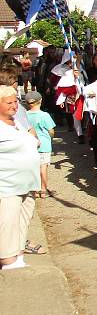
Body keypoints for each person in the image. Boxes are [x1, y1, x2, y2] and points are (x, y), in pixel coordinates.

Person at [0, 85, 43, 269]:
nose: (14, 106)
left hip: (28, 184)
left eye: (16, 101)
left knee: (22, 225)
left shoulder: (16, 122)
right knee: (7, 226)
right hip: (8, 186)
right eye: (9, 102)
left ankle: (18, 259)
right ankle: (8, 264)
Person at [23, 91, 56, 199]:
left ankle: (35, 190)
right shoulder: (44, 115)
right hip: (44, 145)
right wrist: (51, 136)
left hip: (30, 145)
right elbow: (51, 130)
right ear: (40, 101)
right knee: (43, 167)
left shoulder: (24, 115)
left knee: (34, 168)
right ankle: (43, 190)